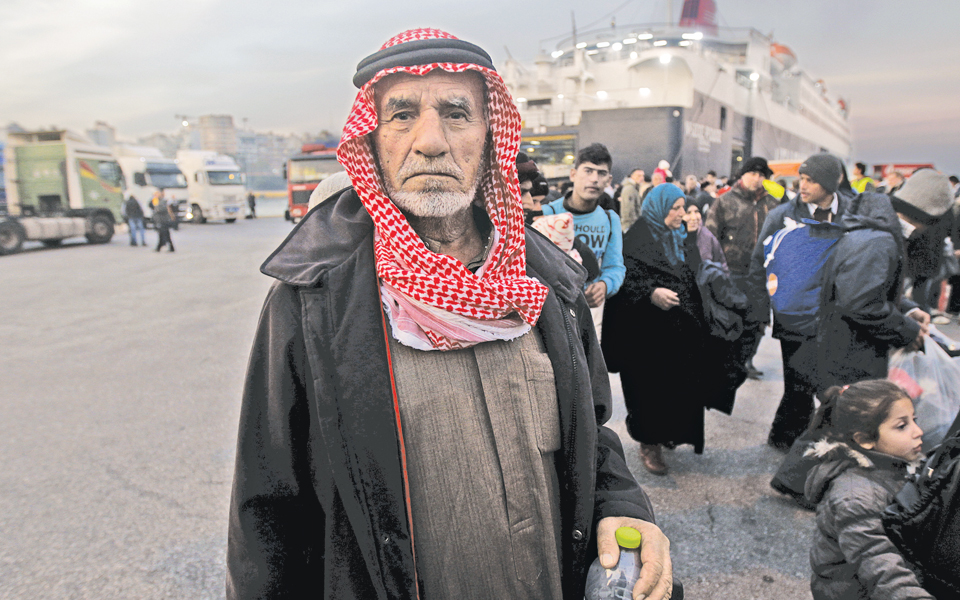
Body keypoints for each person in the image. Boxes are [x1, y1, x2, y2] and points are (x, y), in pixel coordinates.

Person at [227, 28, 672, 600]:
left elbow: (592, 431)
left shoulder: (547, 283)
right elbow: (268, 510)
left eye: (457, 114)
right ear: (373, 140)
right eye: (402, 115)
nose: (430, 142)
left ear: (490, 138)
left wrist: (624, 507)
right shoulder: (313, 302)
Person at [602, 184, 712, 475]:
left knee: (677, 386)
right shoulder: (635, 239)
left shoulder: (679, 236)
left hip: (679, 332)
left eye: (682, 207)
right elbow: (624, 280)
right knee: (648, 390)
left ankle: (671, 433)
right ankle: (649, 442)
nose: (681, 214)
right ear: (659, 208)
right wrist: (650, 293)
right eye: (675, 208)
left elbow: (692, 274)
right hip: (645, 336)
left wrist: (692, 239)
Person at [750, 153, 852, 451]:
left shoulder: (851, 214)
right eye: (802, 178)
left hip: (835, 315)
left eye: (811, 180)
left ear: (831, 183)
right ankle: (786, 441)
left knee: (830, 383)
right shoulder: (782, 215)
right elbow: (759, 262)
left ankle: (806, 437)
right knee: (798, 383)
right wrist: (761, 309)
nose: (802, 185)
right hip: (794, 316)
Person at [804, 379, 932, 600]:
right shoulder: (856, 496)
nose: (918, 431)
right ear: (864, 440)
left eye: (915, 420)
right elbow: (879, 562)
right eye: (902, 426)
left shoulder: (893, 468)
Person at [705, 156, 779, 379]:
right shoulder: (725, 201)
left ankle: (746, 360)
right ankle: (728, 360)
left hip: (761, 274)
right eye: (752, 174)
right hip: (731, 272)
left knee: (757, 321)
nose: (757, 178)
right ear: (743, 175)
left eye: (761, 175)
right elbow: (710, 237)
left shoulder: (772, 205)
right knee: (730, 318)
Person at [541, 143, 625, 336]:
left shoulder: (610, 219)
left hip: (589, 317)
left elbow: (615, 266)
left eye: (601, 173)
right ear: (573, 174)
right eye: (588, 171)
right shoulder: (547, 212)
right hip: (551, 313)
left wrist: (605, 285)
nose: (594, 179)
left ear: (609, 180)